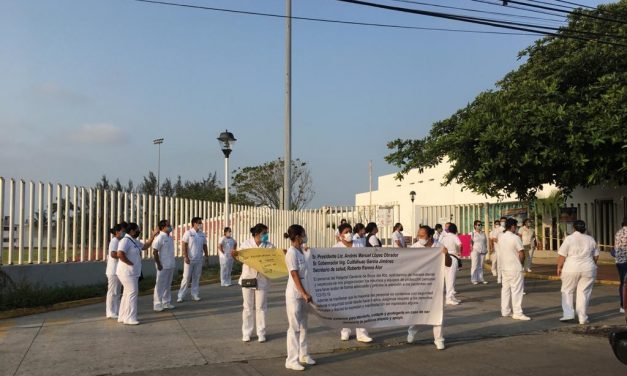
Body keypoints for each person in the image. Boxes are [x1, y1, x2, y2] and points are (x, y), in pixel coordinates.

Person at [234, 223, 274, 342]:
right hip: (248, 278)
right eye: (264, 233)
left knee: (261, 307)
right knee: (247, 307)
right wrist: (234, 255)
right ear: (257, 233)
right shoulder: (246, 244)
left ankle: (261, 333)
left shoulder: (269, 246)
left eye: (266, 233)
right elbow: (239, 258)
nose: (266, 235)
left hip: (262, 279)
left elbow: (274, 260)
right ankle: (247, 332)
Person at [334, 223, 373, 343]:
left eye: (350, 231)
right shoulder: (336, 248)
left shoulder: (359, 244)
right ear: (340, 235)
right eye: (345, 232)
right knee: (345, 307)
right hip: (344, 282)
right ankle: (345, 331)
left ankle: (361, 334)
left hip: (359, 281)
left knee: (361, 307)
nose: (348, 233)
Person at [408, 225, 446, 350]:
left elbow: (449, 263)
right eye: (419, 235)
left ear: (430, 236)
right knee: (419, 310)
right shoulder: (415, 247)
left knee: (437, 313)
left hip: (436, 285)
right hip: (419, 285)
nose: (420, 238)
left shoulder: (439, 246)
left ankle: (439, 339)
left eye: (422, 236)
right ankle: (412, 330)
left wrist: (447, 255)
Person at [284, 224, 316, 371]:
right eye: (303, 234)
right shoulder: (291, 253)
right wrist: (303, 293)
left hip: (304, 293)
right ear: (297, 236)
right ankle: (291, 359)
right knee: (294, 327)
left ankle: (304, 354)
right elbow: (294, 275)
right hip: (295, 294)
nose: (305, 236)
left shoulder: (301, 250)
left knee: (304, 326)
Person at [557, 220, 599, 324]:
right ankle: (582, 318)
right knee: (584, 293)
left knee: (567, 290)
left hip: (571, 268)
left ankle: (568, 314)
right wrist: (591, 264)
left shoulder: (569, 239)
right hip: (588, 268)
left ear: (574, 228)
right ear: (584, 229)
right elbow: (596, 255)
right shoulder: (590, 239)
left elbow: (562, 255)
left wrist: (559, 267)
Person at [116, 223, 158, 325]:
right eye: (137, 230)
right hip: (127, 272)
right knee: (132, 293)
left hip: (132, 272)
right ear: (131, 231)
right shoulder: (125, 240)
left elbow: (145, 246)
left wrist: (153, 236)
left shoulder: (133, 240)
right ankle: (130, 318)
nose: (139, 231)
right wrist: (128, 262)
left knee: (127, 294)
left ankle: (122, 316)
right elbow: (119, 253)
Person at [499, 218, 531, 321]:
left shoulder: (501, 237)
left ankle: (505, 311)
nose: (516, 228)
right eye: (516, 226)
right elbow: (521, 253)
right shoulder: (515, 238)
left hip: (504, 267)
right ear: (512, 227)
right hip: (514, 267)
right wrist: (521, 264)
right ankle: (517, 312)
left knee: (506, 289)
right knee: (517, 291)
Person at [177, 217, 208, 302]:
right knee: (186, 277)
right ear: (194, 223)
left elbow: (204, 245)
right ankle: (181, 296)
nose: (200, 224)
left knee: (196, 277)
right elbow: (184, 245)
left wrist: (206, 256)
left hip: (199, 259)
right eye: (199, 223)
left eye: (201, 223)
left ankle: (194, 294)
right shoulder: (188, 233)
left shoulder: (202, 234)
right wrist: (185, 256)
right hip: (189, 259)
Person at [105, 222, 127, 319]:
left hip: (118, 270)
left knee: (117, 292)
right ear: (117, 232)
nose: (124, 233)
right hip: (113, 270)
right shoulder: (114, 241)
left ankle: (116, 310)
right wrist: (123, 256)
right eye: (122, 231)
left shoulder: (120, 241)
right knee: (112, 292)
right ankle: (110, 312)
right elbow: (113, 254)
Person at [153, 219, 176, 312]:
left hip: (170, 264)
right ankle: (157, 304)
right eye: (168, 225)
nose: (170, 226)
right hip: (162, 265)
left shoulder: (170, 237)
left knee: (167, 284)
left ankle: (166, 302)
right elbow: (155, 252)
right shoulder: (159, 237)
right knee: (160, 285)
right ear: (163, 227)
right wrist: (158, 264)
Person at [440, 223, 462, 305]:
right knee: (451, 278)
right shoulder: (454, 236)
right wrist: (459, 252)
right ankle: (449, 298)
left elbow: (440, 246)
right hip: (453, 257)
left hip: (445, 257)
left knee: (448, 277)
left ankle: (451, 296)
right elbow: (460, 245)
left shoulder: (444, 237)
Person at [613, 217, 627, 314]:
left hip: (619, 261)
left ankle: (622, 305)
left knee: (623, 283)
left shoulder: (618, 232)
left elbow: (615, 247)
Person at [470, 220, 488, 285]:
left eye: (480, 224)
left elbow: (485, 241)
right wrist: (471, 248)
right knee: (474, 265)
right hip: (475, 250)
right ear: (475, 225)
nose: (480, 226)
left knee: (480, 265)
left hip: (482, 250)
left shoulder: (483, 233)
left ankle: (480, 278)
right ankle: (474, 279)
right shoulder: (472, 233)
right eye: (478, 224)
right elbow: (470, 241)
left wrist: (486, 249)